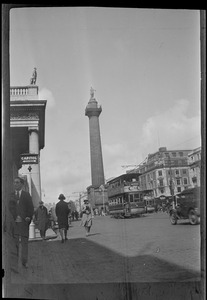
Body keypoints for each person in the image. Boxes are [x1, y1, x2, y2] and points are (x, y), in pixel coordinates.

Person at [8, 177, 34, 269]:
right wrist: (13, 218)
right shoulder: (11, 196)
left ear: (22, 184)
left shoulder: (26, 195)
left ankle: (24, 262)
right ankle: (14, 264)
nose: (15, 184)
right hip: (14, 224)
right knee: (14, 244)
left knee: (24, 244)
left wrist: (28, 217)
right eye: (14, 182)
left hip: (23, 223)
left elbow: (31, 208)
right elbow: (8, 209)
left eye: (17, 182)